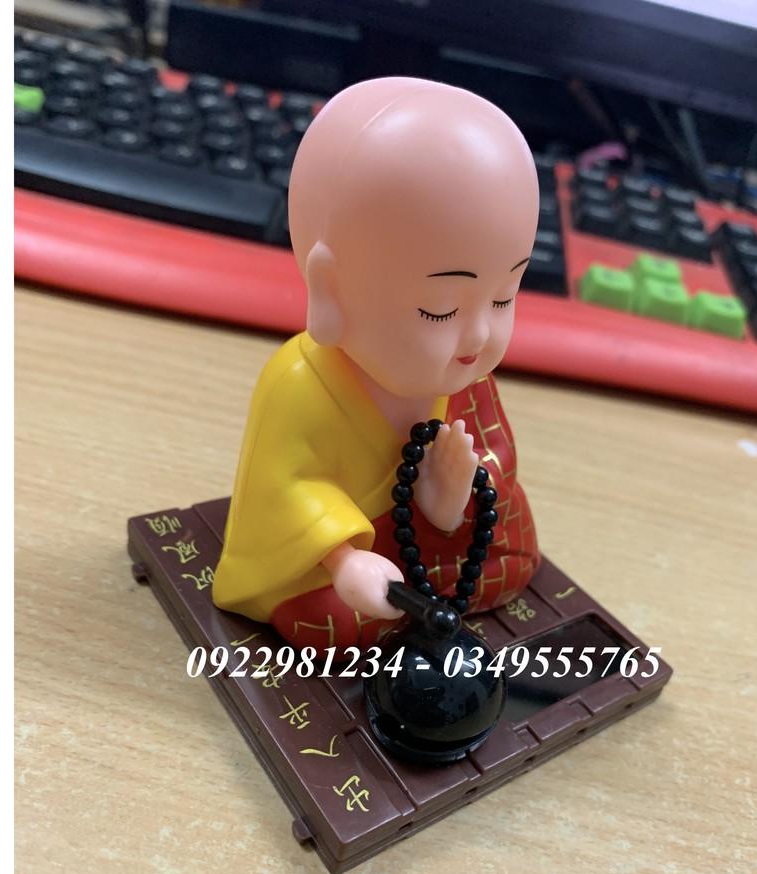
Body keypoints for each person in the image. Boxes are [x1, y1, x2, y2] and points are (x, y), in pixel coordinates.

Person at [212, 77, 542, 652]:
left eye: (503, 297)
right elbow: (286, 489)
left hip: (436, 546)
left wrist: (448, 505)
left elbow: (495, 464)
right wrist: (343, 560)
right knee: (337, 626)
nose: (479, 335)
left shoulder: (468, 376)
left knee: (514, 562)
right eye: (440, 308)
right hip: (348, 566)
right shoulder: (301, 383)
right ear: (331, 288)